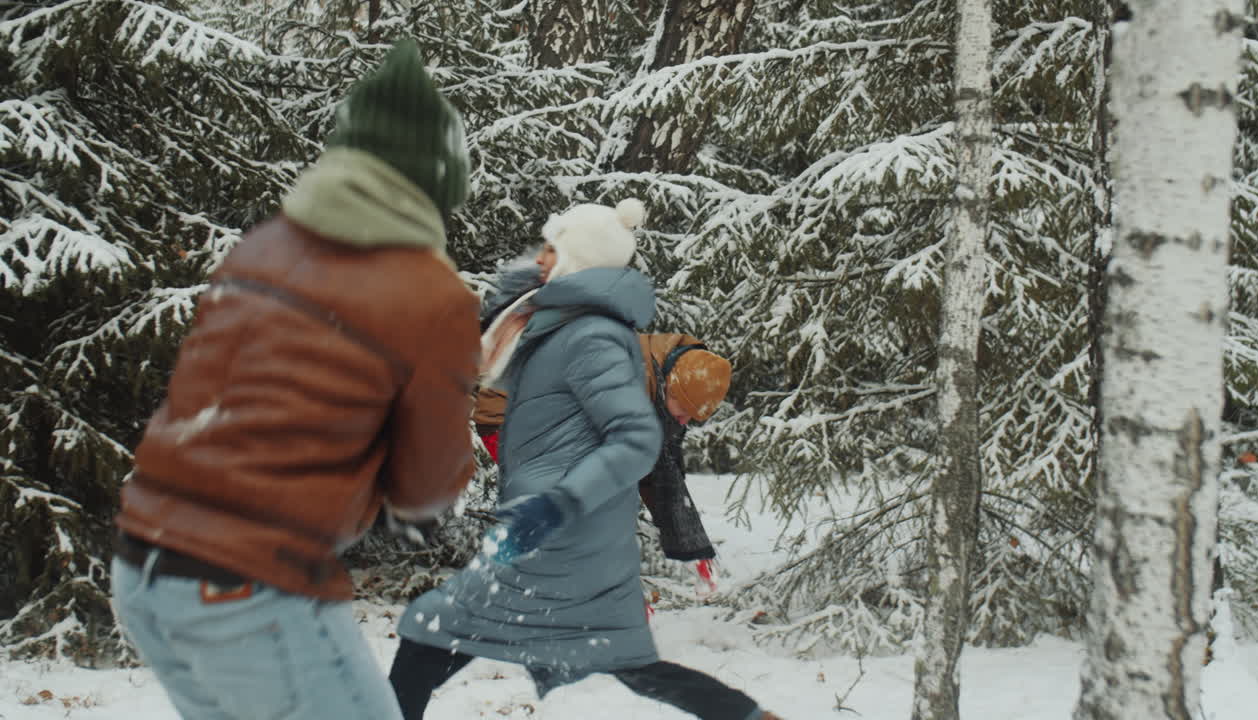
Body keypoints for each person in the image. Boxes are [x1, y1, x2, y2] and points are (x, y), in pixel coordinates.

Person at [110, 40, 479, 720]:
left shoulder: (263, 244)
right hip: (249, 588)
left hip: (144, 571)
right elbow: (426, 480)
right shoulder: (434, 293)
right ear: (435, 182)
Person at [390, 199, 781, 720]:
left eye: (554, 250)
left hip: (558, 527)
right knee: (623, 661)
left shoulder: (594, 335)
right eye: (682, 412)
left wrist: (561, 504)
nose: (541, 258)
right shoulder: (591, 334)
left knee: (433, 633)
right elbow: (631, 445)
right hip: (556, 508)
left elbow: (634, 444)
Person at [473, 335, 733, 598]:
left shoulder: (663, 383)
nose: (685, 420)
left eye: (693, 416)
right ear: (670, 386)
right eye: (684, 409)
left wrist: (692, 547)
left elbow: (661, 472)